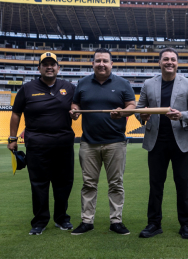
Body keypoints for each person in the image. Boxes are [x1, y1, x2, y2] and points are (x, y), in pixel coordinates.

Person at [135, 48, 188, 239]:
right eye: (166, 59)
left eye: (173, 59)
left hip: (180, 141)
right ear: (160, 62)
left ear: (177, 63)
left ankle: (186, 224)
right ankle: (154, 223)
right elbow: (140, 110)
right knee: (155, 185)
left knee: (183, 184)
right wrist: (142, 115)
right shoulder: (148, 84)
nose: (169, 62)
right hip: (156, 141)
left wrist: (181, 115)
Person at [70, 48, 136, 235]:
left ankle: (116, 221)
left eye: (105, 61)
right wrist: (74, 110)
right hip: (88, 143)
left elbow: (131, 105)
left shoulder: (123, 84)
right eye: (98, 61)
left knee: (116, 183)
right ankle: (87, 221)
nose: (101, 64)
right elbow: (76, 105)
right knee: (89, 183)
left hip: (115, 142)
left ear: (111, 64)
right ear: (93, 63)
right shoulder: (82, 83)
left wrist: (123, 112)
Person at [8, 52, 76, 235]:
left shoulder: (69, 87)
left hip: (63, 145)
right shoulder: (27, 88)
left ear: (58, 67)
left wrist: (76, 112)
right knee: (39, 184)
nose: (49, 67)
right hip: (37, 146)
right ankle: (40, 221)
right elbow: (16, 113)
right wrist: (12, 139)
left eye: (52, 64)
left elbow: (77, 108)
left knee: (64, 183)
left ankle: (62, 218)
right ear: (39, 68)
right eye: (45, 64)